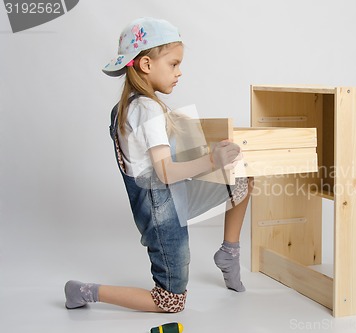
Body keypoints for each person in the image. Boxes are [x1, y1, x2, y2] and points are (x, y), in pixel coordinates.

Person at [64, 17, 253, 313]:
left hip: (166, 198)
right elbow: (164, 172)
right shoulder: (149, 109)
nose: (179, 72)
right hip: (161, 211)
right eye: (174, 64)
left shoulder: (127, 107)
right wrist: (212, 160)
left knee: (242, 180)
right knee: (170, 302)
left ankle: (229, 253)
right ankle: (84, 291)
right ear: (147, 65)